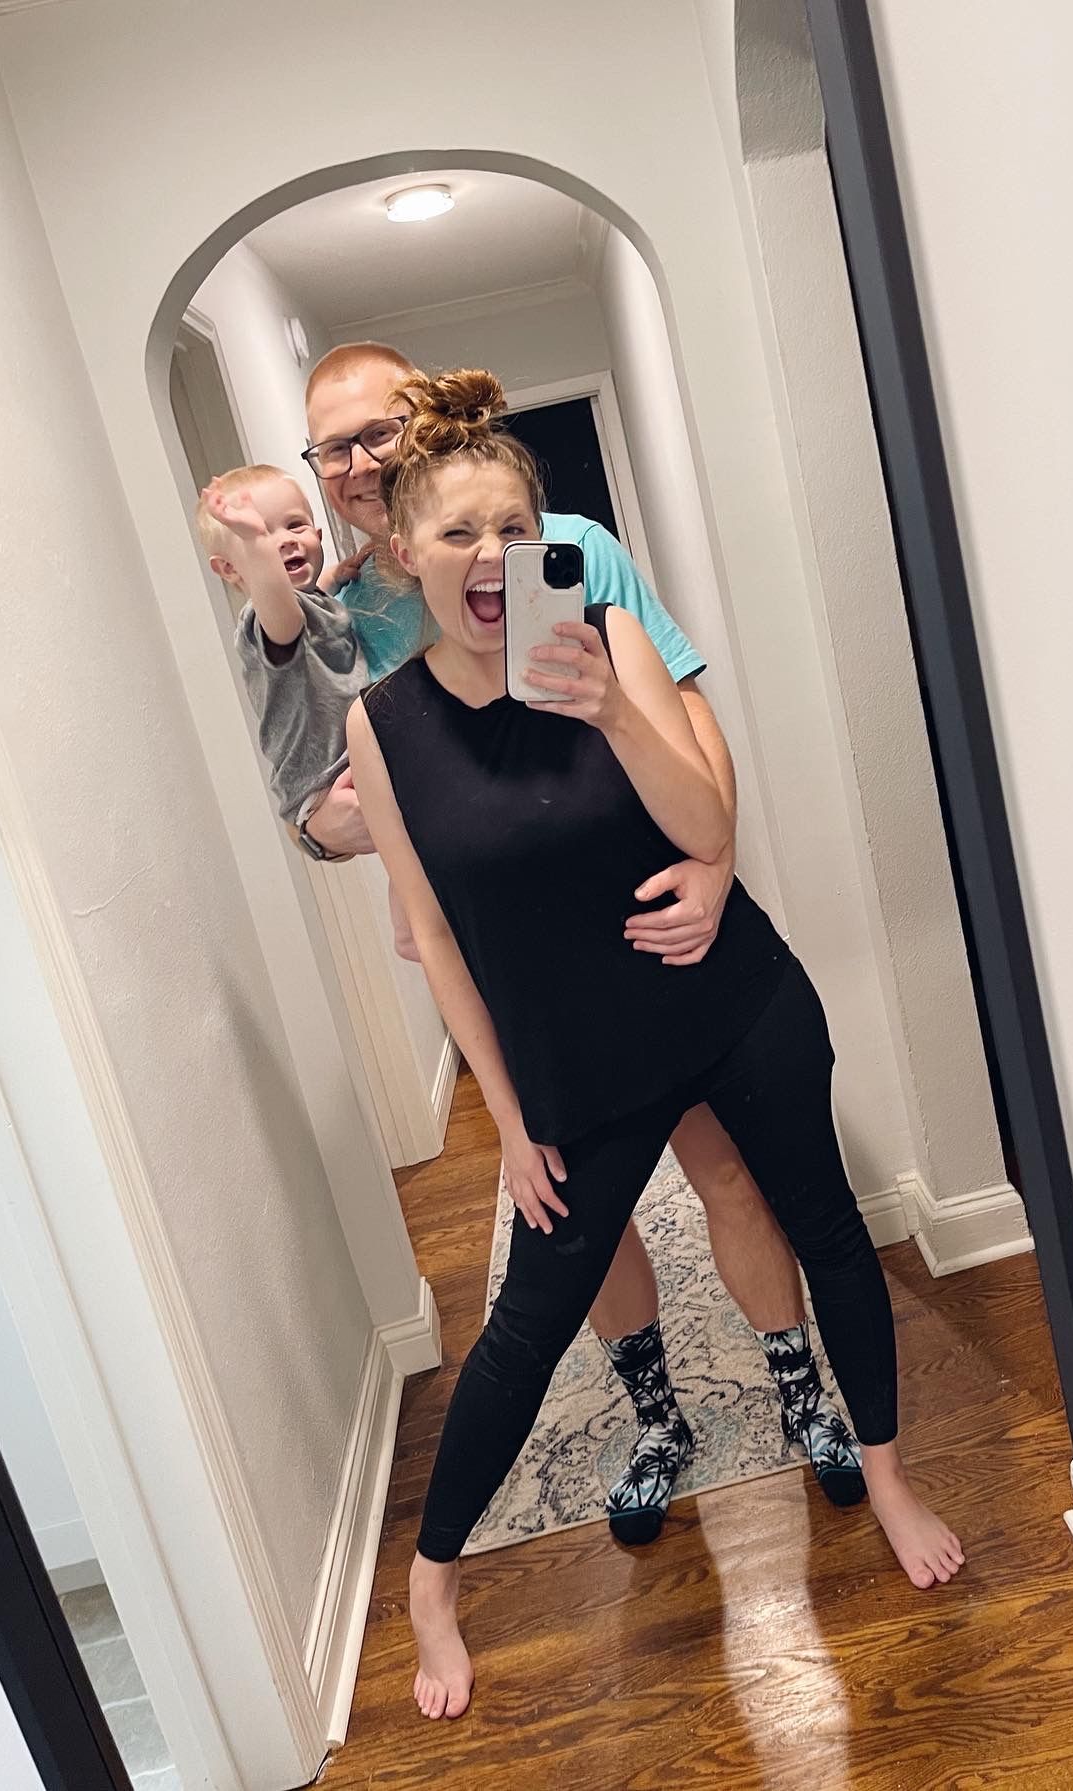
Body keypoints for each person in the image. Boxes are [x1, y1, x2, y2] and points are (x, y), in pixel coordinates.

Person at [346, 367, 965, 1720]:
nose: (493, 555)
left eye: (517, 528)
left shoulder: (607, 635)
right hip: (578, 1066)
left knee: (827, 1226)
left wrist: (612, 708)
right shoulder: (382, 728)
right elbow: (436, 936)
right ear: (404, 553)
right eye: (459, 532)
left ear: (550, 537)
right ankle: (430, 1586)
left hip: (732, 1002)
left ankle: (887, 1469)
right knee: (527, 1320)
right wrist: (510, 1120)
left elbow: (703, 829)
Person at [301, 343, 862, 1539]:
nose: (359, 461)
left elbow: (682, 703)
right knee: (586, 1224)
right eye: (332, 445)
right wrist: (352, 842)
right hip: (523, 968)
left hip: (647, 940)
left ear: (422, 421)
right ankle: (658, 1417)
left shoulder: (563, 551)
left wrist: (715, 862)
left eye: (378, 430)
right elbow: (324, 798)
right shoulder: (341, 614)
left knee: (726, 1171)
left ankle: (799, 1386)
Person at [197, 464, 365, 826]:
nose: (285, 540)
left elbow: (310, 598)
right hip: (325, 780)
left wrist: (334, 576)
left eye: (295, 525)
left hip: (350, 763)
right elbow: (287, 617)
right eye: (259, 532)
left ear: (318, 534)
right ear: (229, 569)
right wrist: (257, 543)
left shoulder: (311, 599)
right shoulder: (265, 619)